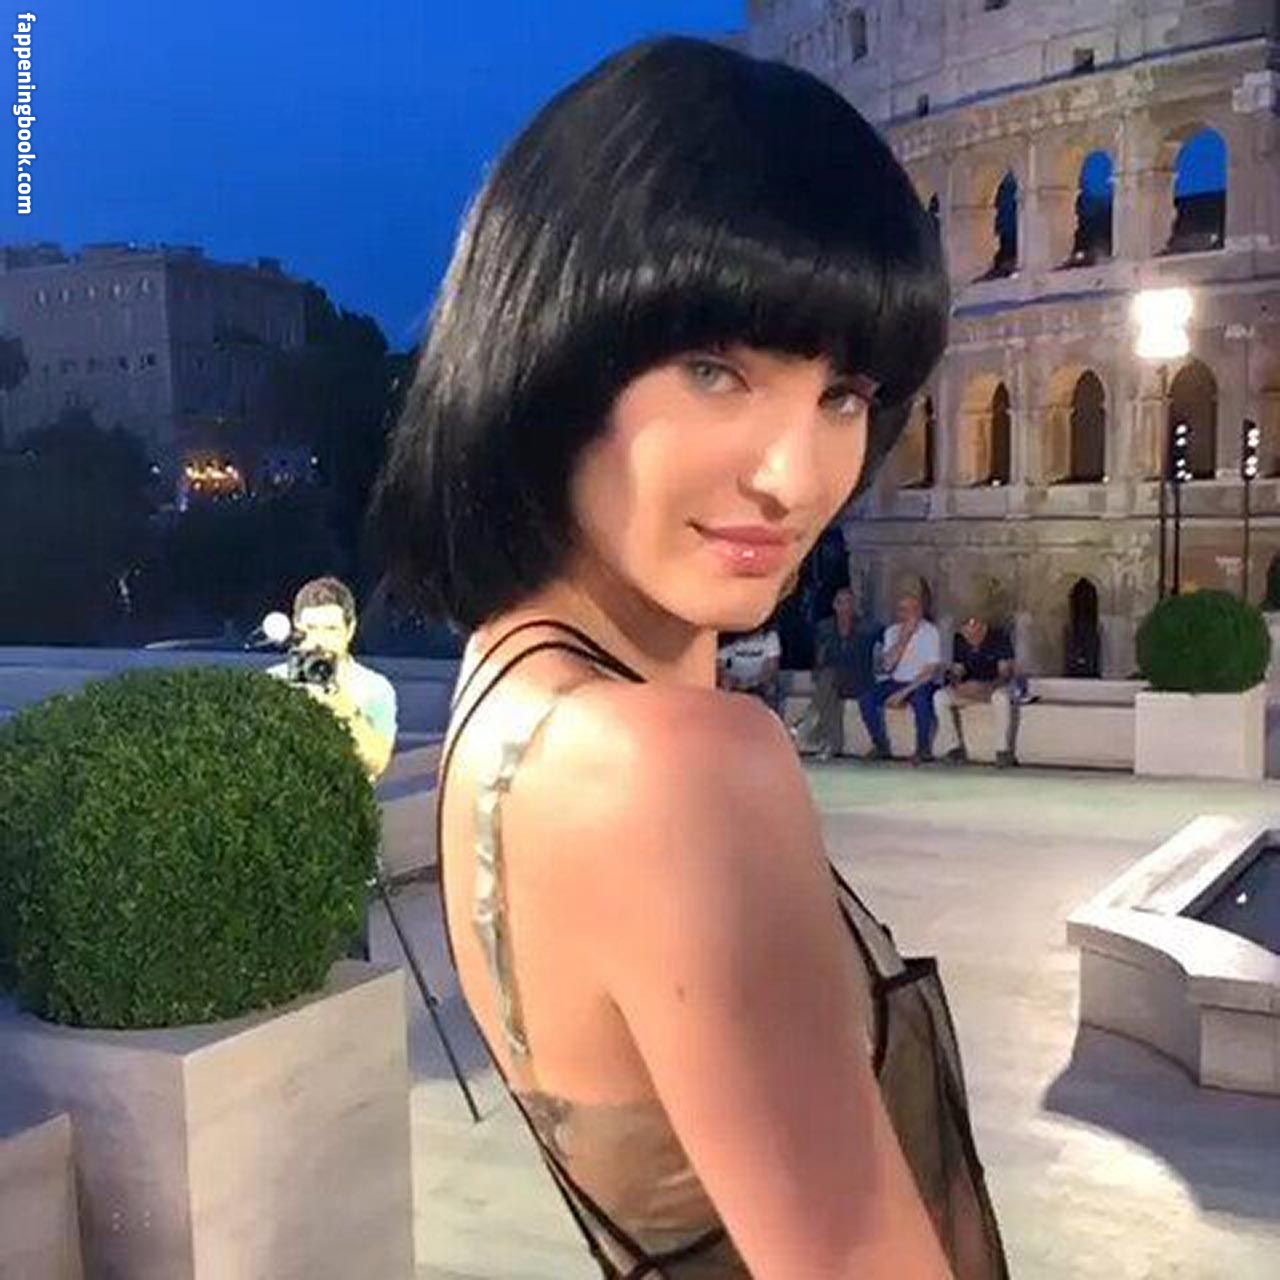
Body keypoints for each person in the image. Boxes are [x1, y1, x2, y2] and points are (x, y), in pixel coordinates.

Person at [373, 37, 1006, 1280]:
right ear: (554, 352)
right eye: (717, 370)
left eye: (842, 393)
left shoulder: (509, 690)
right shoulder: (674, 767)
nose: (793, 475)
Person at [268, 576, 399, 960]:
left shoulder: (374, 689)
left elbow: (376, 761)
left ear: (350, 630)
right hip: (281, 845)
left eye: (330, 629)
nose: (319, 641)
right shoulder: (272, 685)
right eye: (310, 629)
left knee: (348, 962)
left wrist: (339, 703)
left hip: (345, 846)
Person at [794, 587, 880, 759]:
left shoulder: (867, 628)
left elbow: (863, 660)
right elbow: (820, 658)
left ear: (854, 605)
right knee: (829, 688)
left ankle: (808, 720)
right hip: (832, 681)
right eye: (840, 603)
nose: (844, 607)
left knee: (828, 681)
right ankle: (833, 744)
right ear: (834, 605)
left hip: (859, 680)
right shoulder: (824, 628)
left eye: (848, 602)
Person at [857, 593, 943, 764]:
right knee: (866, 698)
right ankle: (881, 746)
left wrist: (903, 693)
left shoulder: (930, 632)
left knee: (921, 700)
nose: (907, 613)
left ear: (919, 611)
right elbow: (888, 666)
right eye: (902, 609)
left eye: (911, 609)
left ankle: (923, 749)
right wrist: (904, 638)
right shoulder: (892, 632)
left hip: (921, 683)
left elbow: (930, 671)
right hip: (897, 681)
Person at [933, 614, 1020, 767]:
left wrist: (985, 687)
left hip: (994, 686)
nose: (970, 639)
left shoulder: (1000, 637)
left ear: (983, 627)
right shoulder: (960, 639)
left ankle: (1003, 751)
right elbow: (958, 670)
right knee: (940, 697)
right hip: (971, 689)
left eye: (974, 634)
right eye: (966, 634)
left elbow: (1005, 674)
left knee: (1001, 698)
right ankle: (953, 749)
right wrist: (957, 685)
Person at [716, 623, 782, 715]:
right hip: (735, 680)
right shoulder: (729, 638)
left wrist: (754, 681)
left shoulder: (770, 637)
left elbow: (772, 667)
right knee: (723, 685)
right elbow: (720, 665)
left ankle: (770, 717)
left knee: (771, 687)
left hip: (759, 680)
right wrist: (727, 677)